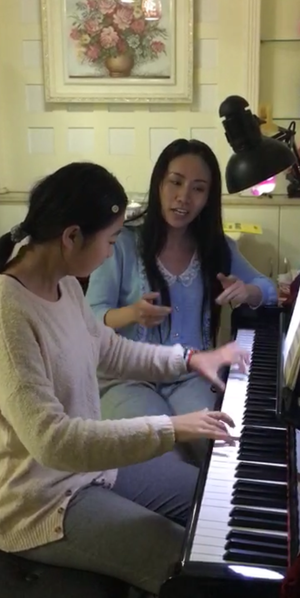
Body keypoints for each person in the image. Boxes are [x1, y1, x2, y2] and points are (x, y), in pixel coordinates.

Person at [0, 162, 249, 598]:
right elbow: (54, 442)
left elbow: (110, 349)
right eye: (112, 239)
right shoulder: (4, 313)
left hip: (84, 473)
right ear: (72, 237)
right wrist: (172, 428)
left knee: (206, 501)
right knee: (187, 572)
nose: (113, 250)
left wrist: (191, 358)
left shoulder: (64, 286)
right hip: (36, 502)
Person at [86, 139, 277, 461]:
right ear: (159, 183)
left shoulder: (217, 247)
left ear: (208, 198)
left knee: (221, 446)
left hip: (191, 377)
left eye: (198, 189)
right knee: (158, 455)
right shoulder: (123, 243)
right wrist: (131, 314)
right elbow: (91, 315)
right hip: (129, 380)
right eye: (175, 182)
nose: (184, 197)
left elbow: (267, 288)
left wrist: (248, 292)